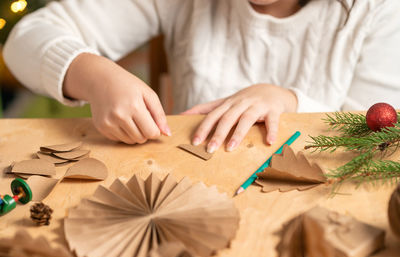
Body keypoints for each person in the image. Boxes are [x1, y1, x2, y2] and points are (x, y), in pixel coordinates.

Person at [4, 0, 400, 153]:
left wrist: (291, 102)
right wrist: (93, 76)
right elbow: (25, 39)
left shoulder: (379, 11)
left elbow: (381, 136)